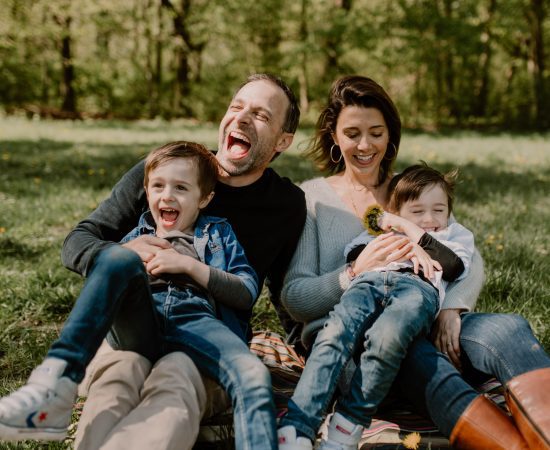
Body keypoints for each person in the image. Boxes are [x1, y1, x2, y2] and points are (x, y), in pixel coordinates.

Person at [11, 74, 305, 450]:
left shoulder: (284, 204)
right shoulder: (166, 170)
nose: (242, 118)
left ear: (283, 140)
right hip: (137, 320)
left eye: (261, 115)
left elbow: (281, 292)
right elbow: (79, 241)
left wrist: (309, 357)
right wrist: (122, 253)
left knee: (176, 379)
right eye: (236, 106)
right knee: (121, 372)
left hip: (207, 334)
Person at [279, 75, 550, 450]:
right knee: (416, 355)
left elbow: (470, 258)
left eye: (376, 132)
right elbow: (294, 297)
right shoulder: (314, 200)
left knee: (508, 329)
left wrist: (452, 308)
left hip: (425, 310)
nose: (364, 144)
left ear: (390, 135)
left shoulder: (409, 190)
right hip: (357, 335)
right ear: (334, 136)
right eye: (352, 132)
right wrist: (352, 273)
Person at [278, 163, 475, 449]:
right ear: (396, 212)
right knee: (334, 335)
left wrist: (409, 229)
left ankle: (347, 425)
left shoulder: (454, 235)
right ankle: (297, 427)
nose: (429, 219)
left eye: (439, 210)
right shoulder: (379, 236)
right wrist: (392, 232)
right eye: (417, 212)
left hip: (416, 289)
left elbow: (452, 266)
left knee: (387, 339)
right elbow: (358, 254)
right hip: (367, 285)